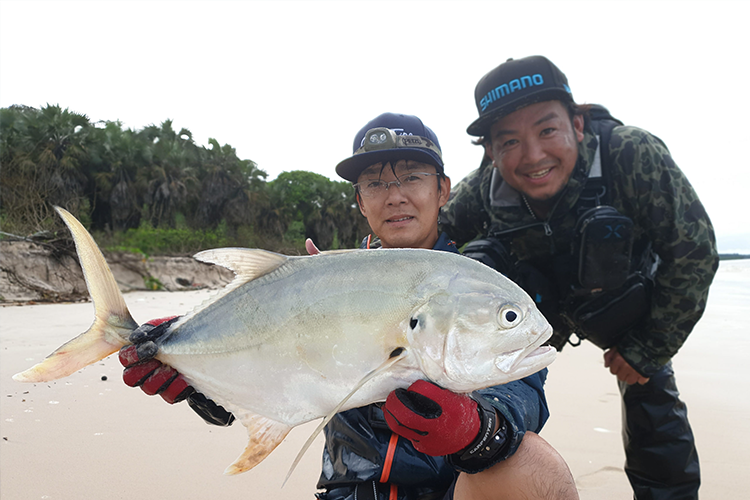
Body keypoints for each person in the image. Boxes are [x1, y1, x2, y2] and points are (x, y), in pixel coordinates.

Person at [119, 112, 579, 500]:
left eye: (412, 177)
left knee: (538, 469)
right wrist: (195, 381)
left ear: (444, 190)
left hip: (453, 490)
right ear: (360, 202)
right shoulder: (320, 281)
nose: (395, 195)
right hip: (350, 490)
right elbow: (269, 383)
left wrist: (478, 429)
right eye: (375, 183)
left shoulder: (477, 278)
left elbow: (523, 392)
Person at [441, 55, 719, 500]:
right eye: (509, 141)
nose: (533, 156)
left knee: (652, 398)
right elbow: (421, 252)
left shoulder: (631, 155)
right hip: (532, 309)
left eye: (547, 130)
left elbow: (694, 252)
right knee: (491, 402)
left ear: (577, 123)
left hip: (622, 297)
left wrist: (647, 348)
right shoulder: (478, 194)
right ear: (490, 151)